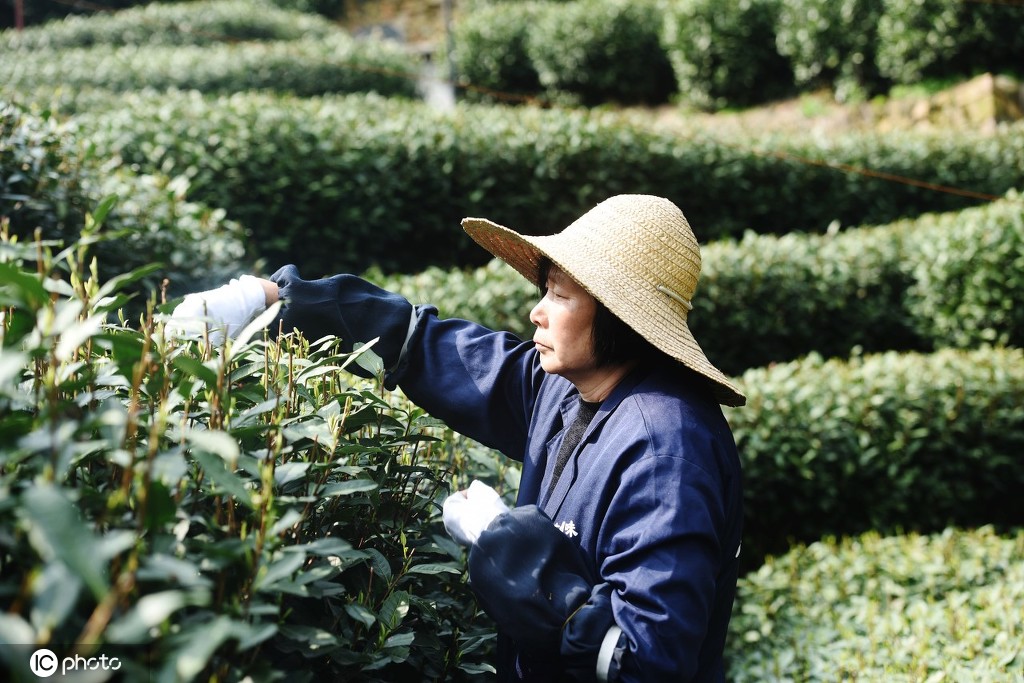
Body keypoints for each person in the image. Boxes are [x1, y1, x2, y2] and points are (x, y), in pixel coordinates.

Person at [170, 194, 745, 682]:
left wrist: (507, 545)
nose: (536, 312)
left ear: (620, 316)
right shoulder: (572, 389)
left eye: (560, 295)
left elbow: (644, 658)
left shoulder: (666, 449)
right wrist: (281, 302)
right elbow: (431, 349)